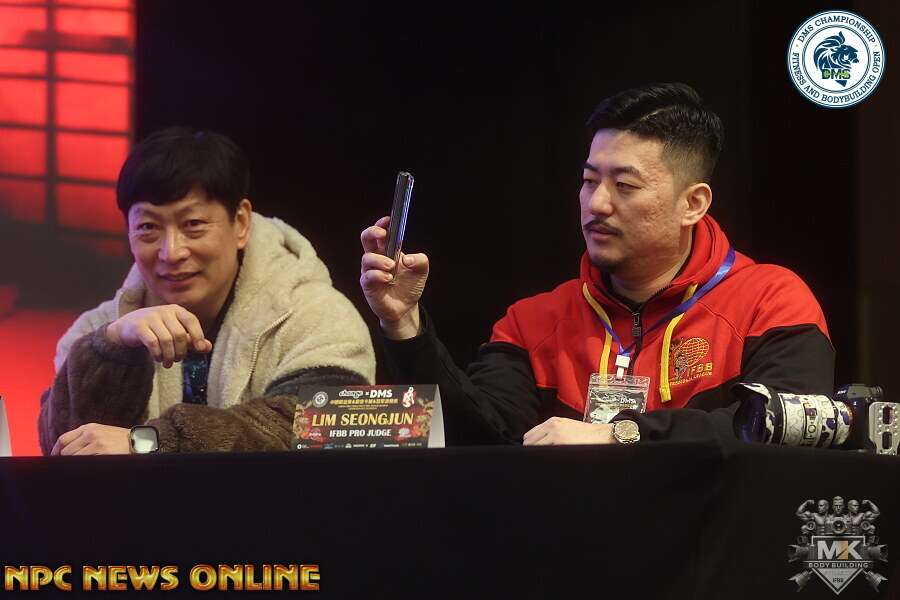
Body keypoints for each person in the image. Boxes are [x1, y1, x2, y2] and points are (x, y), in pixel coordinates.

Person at [359, 82, 834, 446]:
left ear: (693, 203)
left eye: (624, 185)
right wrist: (403, 323)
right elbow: (477, 440)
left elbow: (784, 427)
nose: (597, 203)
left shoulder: (770, 300)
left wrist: (620, 435)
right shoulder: (533, 322)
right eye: (590, 181)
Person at [39, 127, 375, 454]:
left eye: (193, 224)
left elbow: (311, 428)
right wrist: (112, 350)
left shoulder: (320, 316)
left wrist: (147, 442)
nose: (171, 252)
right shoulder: (99, 332)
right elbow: (62, 446)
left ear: (241, 223)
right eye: (148, 227)